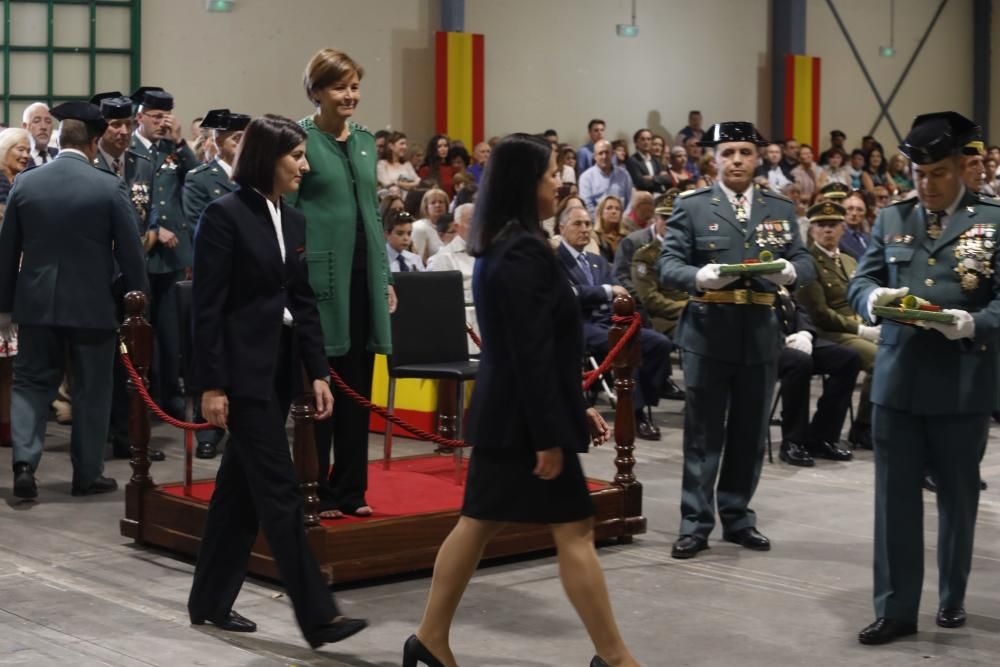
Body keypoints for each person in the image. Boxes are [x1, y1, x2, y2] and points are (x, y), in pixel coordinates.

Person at [406, 133, 639, 667]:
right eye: (551, 174)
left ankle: (429, 640)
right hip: (525, 425)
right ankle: (616, 658)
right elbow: (531, 352)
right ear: (525, 183)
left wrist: (572, 403)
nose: (559, 182)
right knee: (574, 530)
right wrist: (550, 433)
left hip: (507, 417)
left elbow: (534, 350)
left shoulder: (506, 243)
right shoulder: (522, 251)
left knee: (479, 523)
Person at [186, 114, 367, 648]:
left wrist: (317, 372)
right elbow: (208, 308)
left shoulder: (294, 219)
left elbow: (303, 303)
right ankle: (319, 616)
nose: (305, 167)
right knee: (281, 491)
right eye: (297, 157)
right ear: (269, 158)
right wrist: (211, 385)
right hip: (242, 377)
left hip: (280, 371)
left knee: (238, 494)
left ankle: (209, 602)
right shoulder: (223, 216)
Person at [847, 111, 1000, 646]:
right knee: (894, 501)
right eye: (918, 174)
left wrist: (975, 322)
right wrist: (871, 298)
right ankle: (896, 609)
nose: (926, 184)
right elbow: (863, 278)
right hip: (898, 380)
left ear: (962, 167)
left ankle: (951, 596)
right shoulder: (894, 218)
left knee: (957, 498)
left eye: (937, 173)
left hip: (962, 382)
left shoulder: (993, 221)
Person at [657, 121, 814, 559]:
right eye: (728, 153)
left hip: (761, 331)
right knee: (703, 434)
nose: (737, 161)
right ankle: (695, 522)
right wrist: (696, 276)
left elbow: (804, 260)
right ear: (714, 159)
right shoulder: (693, 206)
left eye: (744, 152)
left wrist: (790, 272)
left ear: (758, 156)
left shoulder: (779, 208)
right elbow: (667, 265)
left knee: (749, 431)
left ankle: (738, 516)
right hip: (709, 329)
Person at [0, 101, 147, 499]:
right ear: (94, 143)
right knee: (91, 391)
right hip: (93, 306)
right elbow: (131, 253)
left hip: (36, 304)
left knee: (30, 384)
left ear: (61, 138)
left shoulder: (26, 184)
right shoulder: (108, 185)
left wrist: (4, 308)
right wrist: (138, 301)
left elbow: (7, 249)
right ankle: (86, 474)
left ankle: (25, 464)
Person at [290, 48, 395, 520]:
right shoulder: (298, 140)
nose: (350, 95)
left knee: (358, 388)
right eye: (339, 86)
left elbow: (372, 213)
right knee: (321, 387)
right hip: (318, 282)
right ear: (316, 91)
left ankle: (351, 489)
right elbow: (288, 212)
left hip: (364, 281)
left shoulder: (368, 142)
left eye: (354, 85)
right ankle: (314, 487)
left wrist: (385, 277)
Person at [558, 204, 672, 440]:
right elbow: (570, 294)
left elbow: (619, 289)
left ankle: (641, 398)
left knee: (659, 343)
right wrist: (606, 290)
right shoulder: (555, 261)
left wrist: (612, 293)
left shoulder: (596, 260)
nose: (584, 229)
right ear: (562, 228)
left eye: (588, 224)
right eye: (577, 224)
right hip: (581, 325)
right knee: (628, 343)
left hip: (610, 320)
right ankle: (636, 413)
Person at [89, 92, 160, 461]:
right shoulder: (91, 164)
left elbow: (150, 215)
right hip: (99, 277)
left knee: (134, 362)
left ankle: (128, 436)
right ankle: (99, 437)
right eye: (114, 124)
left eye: (127, 124)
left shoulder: (141, 163)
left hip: (133, 275)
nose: (122, 132)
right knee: (102, 363)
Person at [182, 108, 250, 459]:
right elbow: (198, 226)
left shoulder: (254, 179)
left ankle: (241, 422)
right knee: (209, 349)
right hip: (215, 276)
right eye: (236, 139)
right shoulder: (200, 179)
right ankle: (207, 427)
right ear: (216, 141)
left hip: (250, 281)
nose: (241, 145)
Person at [131, 85, 201, 427]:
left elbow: (196, 175)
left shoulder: (171, 151)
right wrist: (155, 228)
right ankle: (146, 397)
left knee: (171, 332)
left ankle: (170, 395)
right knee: (143, 331)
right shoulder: (130, 150)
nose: (161, 123)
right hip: (143, 252)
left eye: (165, 117)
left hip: (172, 258)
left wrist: (179, 142)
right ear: (139, 116)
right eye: (155, 117)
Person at [796, 200, 878, 450]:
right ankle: (864, 427)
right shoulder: (808, 261)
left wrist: (871, 321)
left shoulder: (849, 260)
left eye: (833, 225)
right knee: (881, 360)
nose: (828, 230)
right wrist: (862, 330)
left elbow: (859, 298)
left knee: (898, 350)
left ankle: (882, 423)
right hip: (831, 333)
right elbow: (819, 313)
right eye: (821, 225)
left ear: (843, 228)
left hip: (859, 326)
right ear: (811, 230)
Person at [773, 284, 859, 466]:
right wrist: (782, 339)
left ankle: (822, 437)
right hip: (767, 344)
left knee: (847, 359)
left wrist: (805, 333)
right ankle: (793, 441)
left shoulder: (781, 270)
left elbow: (797, 305)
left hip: (795, 336)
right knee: (800, 362)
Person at [0, 127, 31, 451]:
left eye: (27, 150)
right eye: (17, 149)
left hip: (19, 285)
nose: (24, 155)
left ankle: (7, 426)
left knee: (10, 367)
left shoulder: (23, 187)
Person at [630, 192, 689, 338]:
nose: (669, 222)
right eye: (665, 217)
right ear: (655, 219)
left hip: (694, 313)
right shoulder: (645, 256)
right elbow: (650, 299)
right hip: (666, 320)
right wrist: (686, 308)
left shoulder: (690, 251)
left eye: (674, 217)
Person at [579, 140, 633, 214]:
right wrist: (600, 222)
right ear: (594, 156)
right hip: (597, 223)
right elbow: (587, 205)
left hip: (621, 221)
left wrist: (622, 220)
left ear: (612, 154)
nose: (604, 156)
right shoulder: (586, 177)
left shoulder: (624, 175)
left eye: (607, 152)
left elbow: (630, 201)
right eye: (600, 153)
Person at [411, 187, 450, 263]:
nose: (438, 205)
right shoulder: (419, 227)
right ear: (426, 207)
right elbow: (418, 261)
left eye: (441, 202)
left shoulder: (452, 226)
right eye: (433, 203)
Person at [625, 128, 666, 194]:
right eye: (642, 139)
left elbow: (667, 179)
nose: (646, 142)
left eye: (648, 139)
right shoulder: (632, 161)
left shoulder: (655, 160)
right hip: (644, 198)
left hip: (660, 196)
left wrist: (652, 178)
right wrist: (659, 179)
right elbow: (640, 183)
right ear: (636, 142)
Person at [21, 102, 57, 168]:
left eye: (48, 122)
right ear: (25, 127)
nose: (43, 127)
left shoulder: (59, 155)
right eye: (37, 121)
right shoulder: (18, 159)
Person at [593, 195, 627, 263]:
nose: (614, 212)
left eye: (617, 209)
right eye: (609, 208)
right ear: (601, 213)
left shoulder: (626, 237)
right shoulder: (594, 237)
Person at [839, 190, 871, 261]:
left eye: (859, 210)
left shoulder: (868, 239)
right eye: (850, 209)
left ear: (865, 214)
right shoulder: (838, 238)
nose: (854, 213)